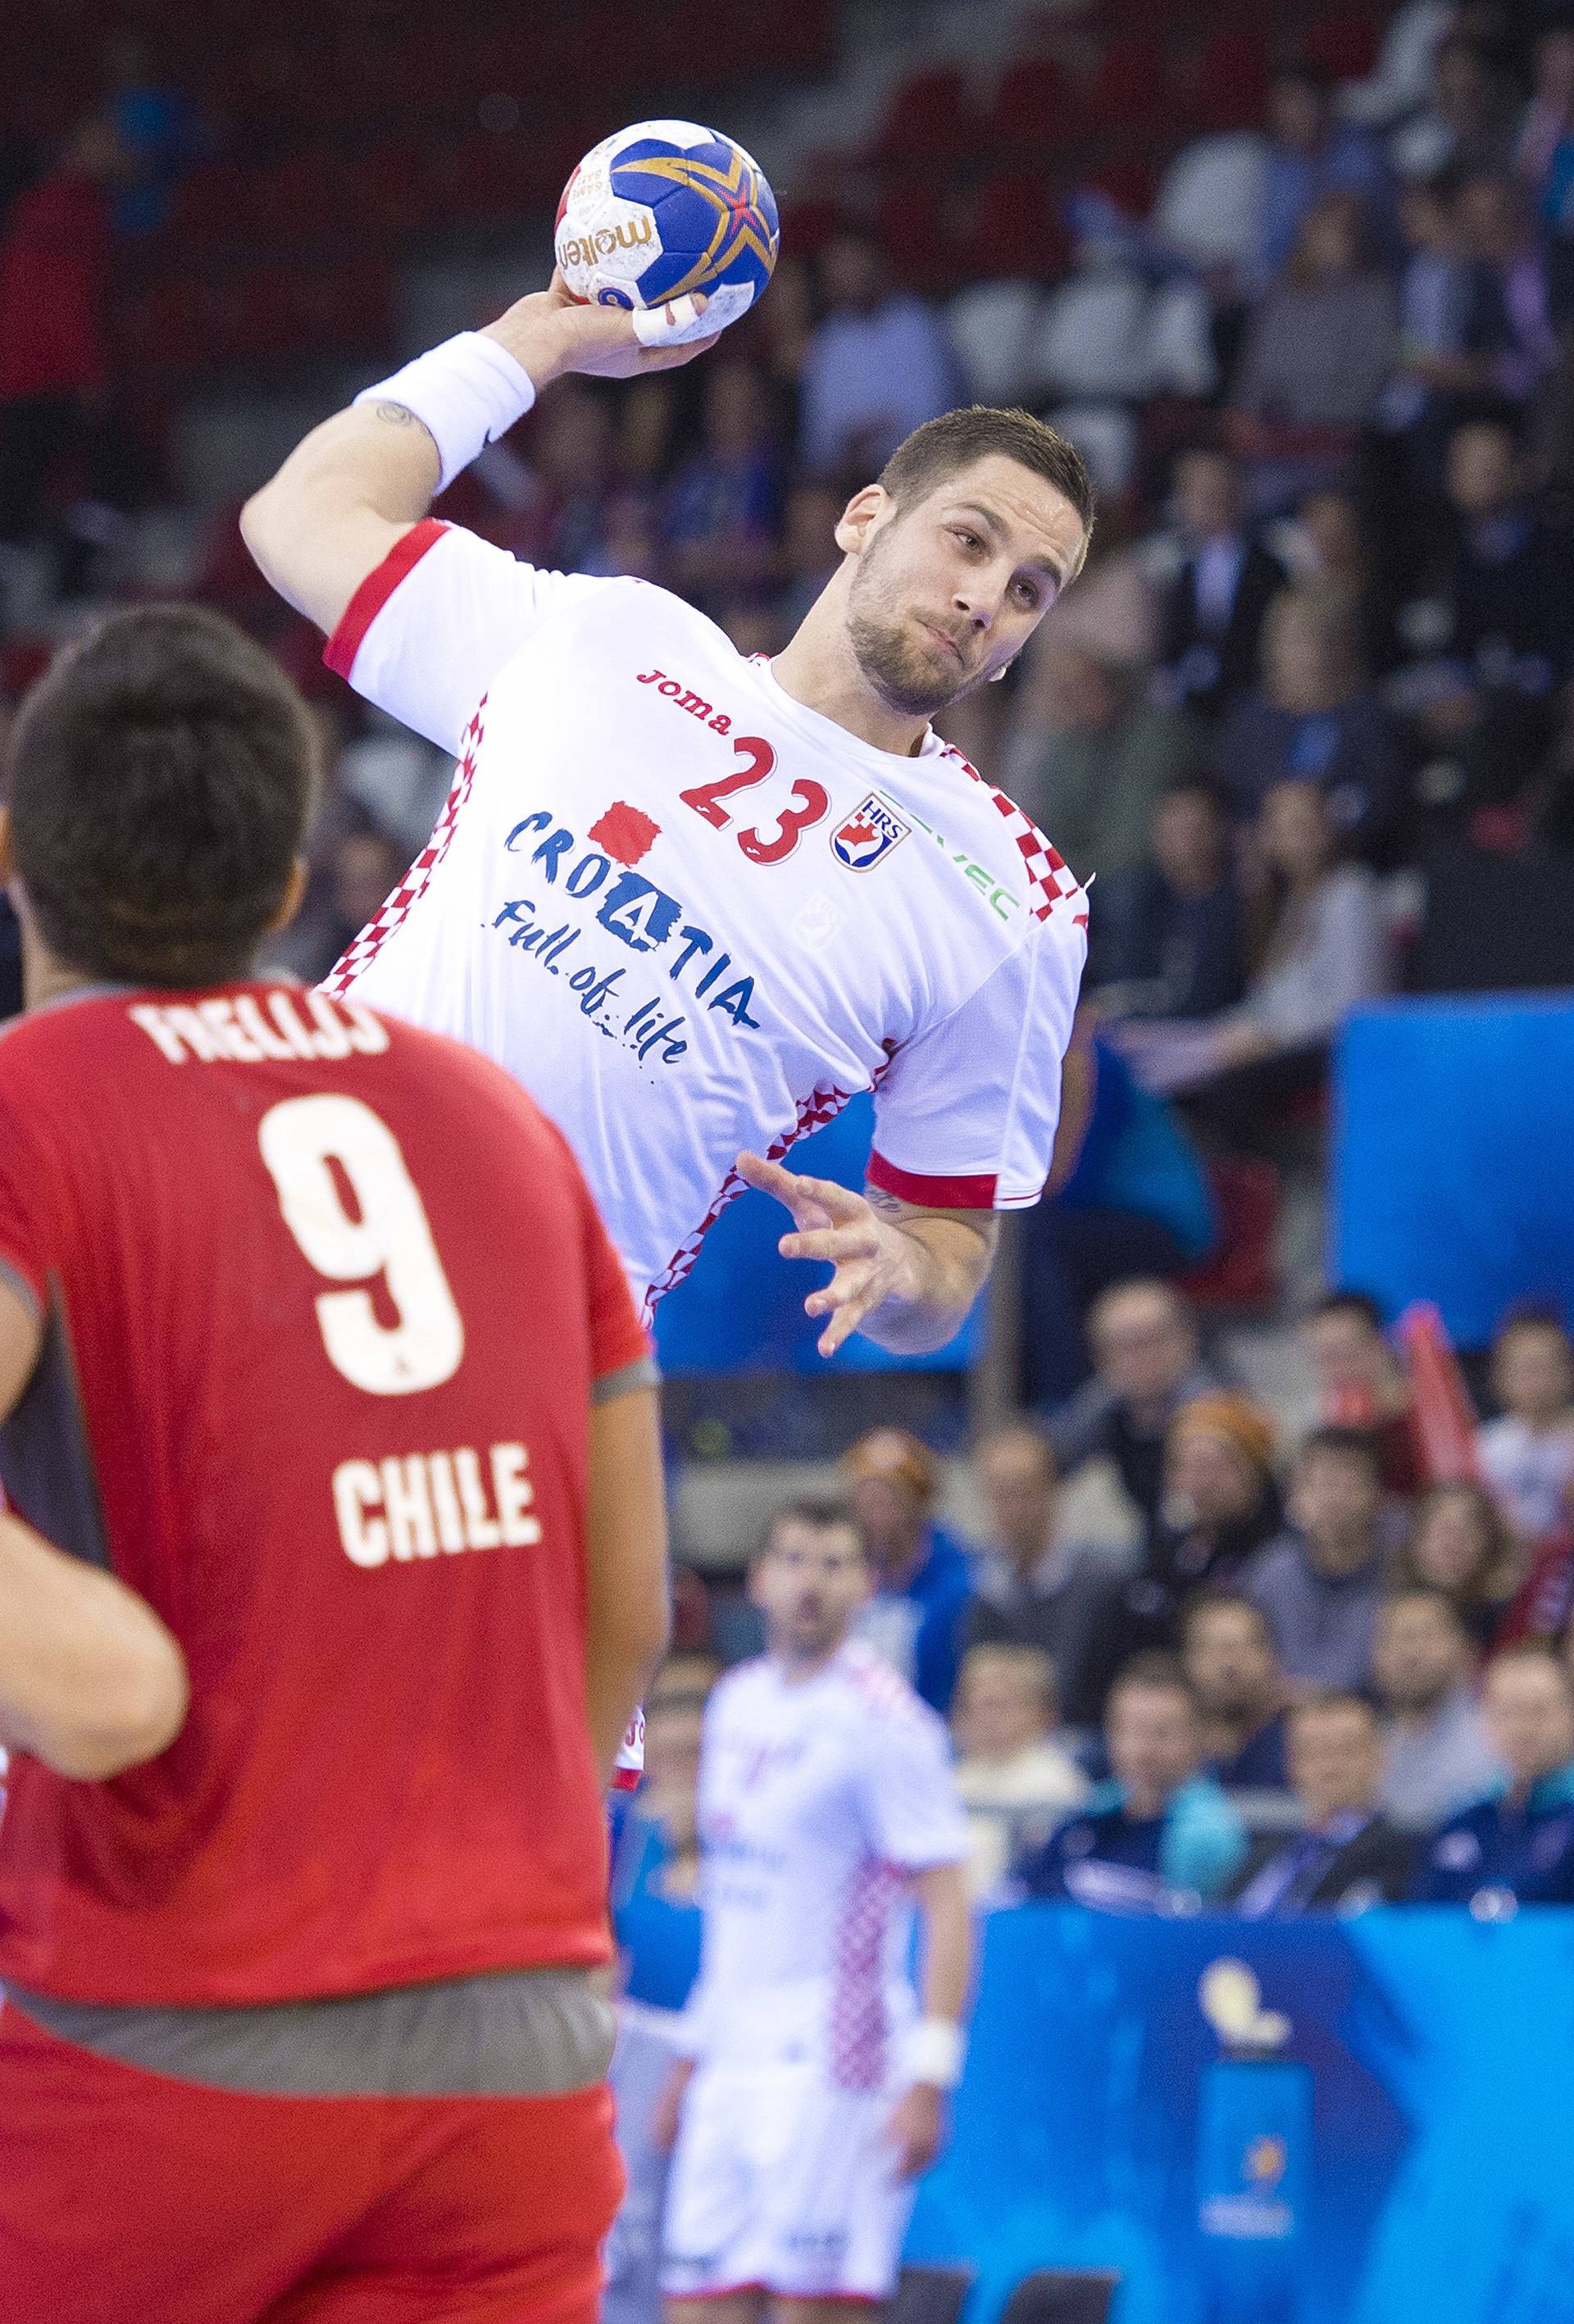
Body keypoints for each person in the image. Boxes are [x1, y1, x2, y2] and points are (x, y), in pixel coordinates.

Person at [0, 606, 670, 2324]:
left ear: (15, 858)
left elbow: (105, 1696)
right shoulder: (498, 1122)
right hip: (516, 2041)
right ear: (292, 875)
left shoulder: (26, 1102)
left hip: (170, 2018)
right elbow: (630, 1605)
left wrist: (97, 1677)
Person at [240, 277, 1091, 1368]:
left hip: (513, 1348)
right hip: (267, 1190)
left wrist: (898, 1268)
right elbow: (299, 517)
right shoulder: (608, 637)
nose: (988, 596)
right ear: (864, 516)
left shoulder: (1013, 902)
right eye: (968, 540)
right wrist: (530, 342)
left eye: (1030, 589)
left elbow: (948, 1247)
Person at [653, 1498, 971, 2317]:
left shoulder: (887, 1722)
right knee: (695, 2298)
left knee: (814, 2308)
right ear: (758, 1580)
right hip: (731, 2060)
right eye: (793, 1560)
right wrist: (692, 2057)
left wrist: (931, 2077)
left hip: (836, 2062)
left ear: (864, 1586)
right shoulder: (736, 1702)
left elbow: (947, 1906)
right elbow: (735, 1906)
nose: (811, 1584)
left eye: (834, 1565)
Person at [1114, 780, 1392, 1107]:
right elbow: (1268, 1000)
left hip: (1314, 1051)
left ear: (1327, 829)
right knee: (1130, 1047)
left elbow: (1356, 1005)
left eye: (1302, 825)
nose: (1293, 840)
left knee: (1167, 1079)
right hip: (1262, 1037)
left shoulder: (1350, 891)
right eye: (1281, 828)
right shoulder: (1289, 901)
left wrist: (1267, 1037)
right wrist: (1232, 1028)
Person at [1011, 1653, 1247, 1912]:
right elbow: (1020, 1895)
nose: (1142, 1750)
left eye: (1162, 1733)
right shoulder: (1087, 1817)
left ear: (1200, 1737)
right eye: (1129, 1729)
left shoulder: (1207, 1836)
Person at [962, 1421, 1135, 1726]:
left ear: (1053, 1490)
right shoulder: (975, 1586)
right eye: (999, 1493)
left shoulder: (1105, 1583)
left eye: (1022, 1491)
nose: (1011, 1508)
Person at [1213, 585, 1402, 857]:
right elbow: (1230, 800)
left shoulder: (1369, 717)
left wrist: (1320, 821)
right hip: (1260, 866)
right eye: (1301, 640)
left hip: (1347, 865)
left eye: (1329, 640)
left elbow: (1380, 801)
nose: (1315, 655)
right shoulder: (1250, 720)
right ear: (1275, 647)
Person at [996, 640, 1204, 887]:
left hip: (1142, 869)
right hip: (1087, 871)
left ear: (1109, 679)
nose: (1085, 695)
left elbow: (1133, 837)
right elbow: (1059, 826)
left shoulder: (1156, 731)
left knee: (1124, 890)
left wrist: (1089, 870)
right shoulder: (1067, 749)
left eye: (1089, 682)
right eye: (1071, 692)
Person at [1049, 1277, 1220, 1528]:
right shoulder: (1105, 1403)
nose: (1142, 1358)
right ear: (1101, 1359)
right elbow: (1051, 1456)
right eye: (1125, 1347)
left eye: (1154, 1341)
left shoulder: (1214, 1409)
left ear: (1188, 1340)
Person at [1413, 1645, 1574, 1907]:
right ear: (1485, 1720)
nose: (1523, 1727)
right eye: (1508, 1711)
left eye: (1539, 1710)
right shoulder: (1459, 1823)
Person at [1230, 1694, 1418, 1916]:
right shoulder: (1263, 1853)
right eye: (1313, 1752)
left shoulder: (1401, 1853)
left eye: (1345, 1750)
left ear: (1379, 1756)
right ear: (1291, 1764)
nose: (1329, 1766)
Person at [798, 228, 962, 481]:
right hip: (845, 478)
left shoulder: (915, 323)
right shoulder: (830, 338)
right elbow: (818, 436)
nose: (846, 274)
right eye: (838, 266)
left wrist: (877, 436)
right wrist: (848, 444)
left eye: (853, 262)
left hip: (917, 473)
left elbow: (937, 414)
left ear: (876, 262)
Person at [1093, 774, 1249, 1021]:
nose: (1180, 840)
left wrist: (1112, 1006)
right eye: (1170, 826)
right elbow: (1128, 973)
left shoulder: (1236, 907)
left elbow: (1203, 1001)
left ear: (1220, 829)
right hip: (1143, 1033)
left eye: (1191, 828)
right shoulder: (1150, 898)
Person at [1150, 446, 1287, 724]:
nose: (1210, 500)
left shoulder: (1271, 563)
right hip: (1190, 708)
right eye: (1198, 491)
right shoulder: (1176, 565)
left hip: (1255, 701)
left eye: (1218, 489)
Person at [1246, 1428, 1390, 1691]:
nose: (1333, 1499)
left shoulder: (1399, 1573)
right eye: (1320, 1484)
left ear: (1378, 1498)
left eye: (1349, 1484)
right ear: (1294, 1498)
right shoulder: (1269, 1571)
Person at [843, 1426, 973, 1714]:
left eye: (888, 1503)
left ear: (920, 1505)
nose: (875, 1518)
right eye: (865, 1504)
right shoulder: (841, 1579)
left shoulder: (964, 1586)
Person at [951, 1642, 1087, 1898]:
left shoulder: (1054, 1781)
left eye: (1000, 1705)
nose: (986, 1717)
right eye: (976, 1704)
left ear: (1043, 1713)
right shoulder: (957, 1776)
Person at [1373, 1588, 1503, 1829]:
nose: (1411, 1653)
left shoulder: (1496, 1742)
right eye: (1397, 1637)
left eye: (1428, 1636)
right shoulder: (1368, 1747)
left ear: (1467, 1652)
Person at [1303, 1288, 1420, 1494]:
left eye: (1348, 1353)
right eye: (1327, 1359)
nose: (1340, 1370)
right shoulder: (1324, 1427)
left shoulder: (1427, 1419)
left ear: (1382, 1346)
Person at [1476, 1306, 1574, 1543]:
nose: (1539, 1379)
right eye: (1526, 1367)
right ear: (1499, 1376)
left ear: (1569, 1371)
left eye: (1549, 1365)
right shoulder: (1483, 1446)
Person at [1181, 1591, 1291, 1794]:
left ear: (1273, 1658)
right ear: (1187, 1660)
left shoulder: (1297, 1752)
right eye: (1211, 1646)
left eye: (1244, 1645)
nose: (1228, 1663)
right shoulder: (1165, 1754)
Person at [1390, 1481, 1521, 1650]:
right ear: (1415, 1538)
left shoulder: (1510, 1620)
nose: (1453, 1540)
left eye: (1468, 1527)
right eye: (1442, 1527)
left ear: (1490, 1546)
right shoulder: (1381, 1611)